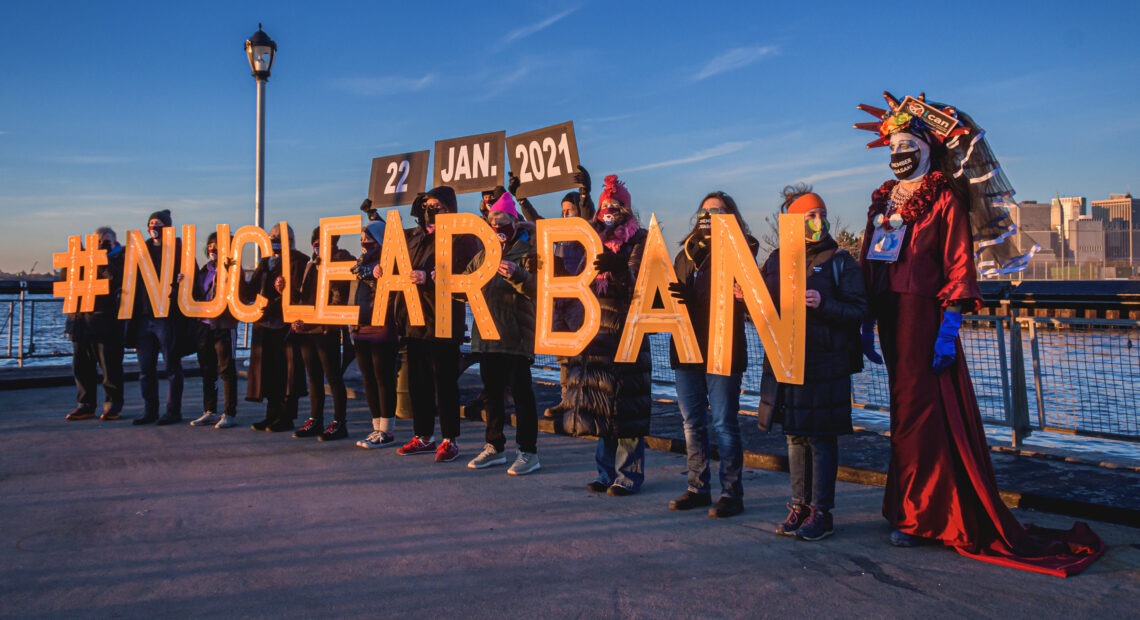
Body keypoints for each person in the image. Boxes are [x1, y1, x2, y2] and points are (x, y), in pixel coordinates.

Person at [856, 91, 1102, 575]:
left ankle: (922, 516)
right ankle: (913, 508)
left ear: (928, 146)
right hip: (890, 314)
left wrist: (949, 324)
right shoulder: (883, 199)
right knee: (904, 411)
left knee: (921, 414)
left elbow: (957, 261)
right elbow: (870, 257)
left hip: (924, 317)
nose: (898, 151)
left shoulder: (945, 197)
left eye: (908, 141)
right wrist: (866, 315)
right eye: (893, 144)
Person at [758, 187, 867, 540]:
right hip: (788, 361)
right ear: (791, 221)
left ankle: (822, 512)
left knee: (821, 440)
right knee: (795, 437)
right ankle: (799, 506)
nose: (818, 221)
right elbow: (765, 309)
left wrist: (824, 304)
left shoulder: (840, 262)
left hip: (825, 365)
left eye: (821, 214)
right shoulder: (776, 260)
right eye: (809, 216)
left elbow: (860, 311)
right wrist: (746, 299)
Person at [558, 174, 652, 496]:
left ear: (626, 208)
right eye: (605, 205)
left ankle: (628, 475)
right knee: (602, 402)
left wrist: (620, 268)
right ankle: (604, 471)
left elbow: (643, 283)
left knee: (627, 405)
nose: (610, 208)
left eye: (615, 204)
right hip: (597, 329)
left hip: (627, 329)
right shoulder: (591, 236)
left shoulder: (641, 238)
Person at [667, 192, 758, 518]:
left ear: (731, 215)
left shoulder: (742, 249)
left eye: (718, 211)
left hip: (723, 350)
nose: (710, 216)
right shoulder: (683, 256)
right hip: (687, 348)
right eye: (705, 211)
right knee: (692, 422)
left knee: (723, 423)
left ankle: (732, 493)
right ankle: (697, 488)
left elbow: (751, 300)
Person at [394, 186, 479, 463]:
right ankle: (423, 436)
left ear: (449, 208)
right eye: (427, 206)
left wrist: (430, 279)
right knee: (418, 383)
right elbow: (400, 269)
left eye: (437, 206)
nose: (431, 211)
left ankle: (449, 439)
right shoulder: (414, 237)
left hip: (443, 321)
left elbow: (470, 275)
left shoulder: (462, 238)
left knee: (445, 383)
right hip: (414, 321)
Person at [463, 192, 541, 476]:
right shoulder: (483, 253)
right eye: (492, 221)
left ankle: (528, 452)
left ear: (515, 221)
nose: (497, 226)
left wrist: (518, 275)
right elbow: (465, 286)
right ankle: (494, 446)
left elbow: (539, 290)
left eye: (503, 221)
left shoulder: (530, 250)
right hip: (486, 335)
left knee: (522, 394)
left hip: (516, 335)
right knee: (491, 394)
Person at [243, 223, 308, 433]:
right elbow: (251, 290)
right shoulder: (264, 263)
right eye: (271, 236)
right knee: (268, 372)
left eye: (279, 236)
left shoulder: (298, 260)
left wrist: (284, 291)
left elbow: (301, 291)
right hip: (264, 324)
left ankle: (286, 417)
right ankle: (271, 415)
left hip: (285, 325)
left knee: (287, 374)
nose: (274, 239)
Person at [291, 227, 354, 441]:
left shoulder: (340, 263)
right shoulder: (312, 264)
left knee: (333, 377)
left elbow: (339, 298)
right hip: (310, 329)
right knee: (314, 377)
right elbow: (302, 296)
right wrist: (298, 318)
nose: (316, 246)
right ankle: (315, 419)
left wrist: (325, 322)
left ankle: (339, 422)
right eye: (314, 242)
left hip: (328, 329)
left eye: (321, 242)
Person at [126, 210, 187, 426]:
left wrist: (183, 279)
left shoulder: (179, 249)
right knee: (145, 368)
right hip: (144, 317)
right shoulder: (141, 250)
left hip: (166, 316)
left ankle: (173, 410)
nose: (154, 226)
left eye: (158, 222)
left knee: (172, 365)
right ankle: (149, 410)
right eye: (151, 222)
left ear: (167, 227)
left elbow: (190, 275)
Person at [65, 226, 125, 421]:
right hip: (80, 320)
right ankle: (85, 404)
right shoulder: (84, 259)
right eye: (97, 242)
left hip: (106, 322)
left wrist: (101, 258)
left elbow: (116, 279)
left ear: (115, 243)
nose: (100, 245)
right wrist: (76, 259)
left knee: (110, 367)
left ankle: (112, 404)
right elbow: (65, 280)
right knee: (81, 367)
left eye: (105, 242)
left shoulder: (120, 259)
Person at [352, 219, 401, 449]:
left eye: (369, 239)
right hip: (361, 325)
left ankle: (387, 430)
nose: (364, 243)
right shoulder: (362, 263)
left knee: (384, 378)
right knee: (368, 378)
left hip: (382, 325)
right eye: (362, 238)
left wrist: (375, 273)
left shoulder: (391, 260)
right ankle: (376, 427)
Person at [189, 231, 240, 429]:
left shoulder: (233, 270)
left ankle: (229, 412)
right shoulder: (204, 270)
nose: (213, 249)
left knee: (226, 370)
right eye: (210, 244)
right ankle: (209, 411)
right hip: (204, 325)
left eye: (217, 245)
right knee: (207, 369)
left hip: (224, 326)